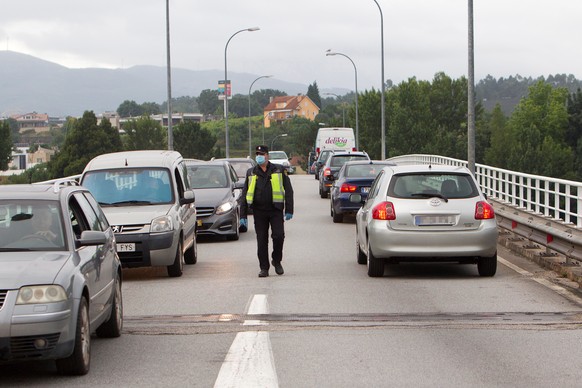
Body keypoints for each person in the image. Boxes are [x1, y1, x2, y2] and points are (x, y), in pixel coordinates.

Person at [240, 145, 294, 277]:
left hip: (275, 210)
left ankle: (277, 260)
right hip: (259, 211)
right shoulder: (251, 172)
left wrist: (289, 209)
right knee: (262, 240)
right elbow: (244, 193)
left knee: (279, 236)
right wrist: (243, 215)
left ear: (267, 155)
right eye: (257, 153)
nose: (259, 156)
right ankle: (264, 267)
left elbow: (288, 190)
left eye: (262, 154)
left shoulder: (279, 170)